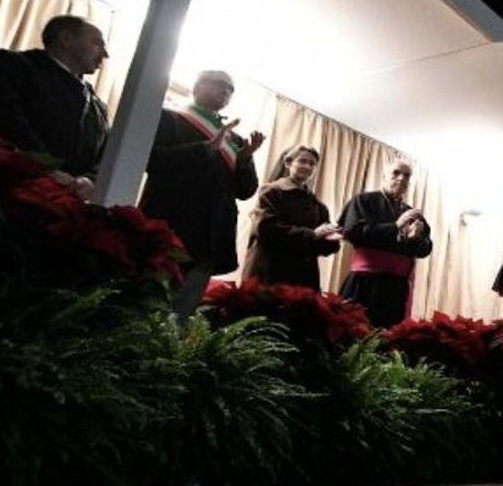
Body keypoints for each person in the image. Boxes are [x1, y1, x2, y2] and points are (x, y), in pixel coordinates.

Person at [139, 70, 264, 317]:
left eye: (230, 89)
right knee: (146, 305)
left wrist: (245, 160)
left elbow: (246, 191)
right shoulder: (170, 118)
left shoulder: (236, 139)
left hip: (210, 237)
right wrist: (205, 149)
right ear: (197, 87)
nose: (225, 91)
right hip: (169, 227)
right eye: (218, 85)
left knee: (182, 315)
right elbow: (152, 160)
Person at [0, 14, 110, 197]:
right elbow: (2, 118)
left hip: (57, 210)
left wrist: (90, 181)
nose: (105, 54)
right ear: (66, 39)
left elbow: (107, 157)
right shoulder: (9, 65)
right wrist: (45, 168)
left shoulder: (98, 108)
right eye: (97, 43)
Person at [336, 160, 433, 328]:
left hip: (396, 288)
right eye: (396, 173)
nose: (401, 178)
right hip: (364, 282)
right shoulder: (363, 200)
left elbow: (425, 249)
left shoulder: (412, 213)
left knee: (386, 336)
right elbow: (353, 232)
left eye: (407, 175)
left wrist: (415, 238)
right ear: (384, 175)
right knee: (352, 332)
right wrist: (395, 226)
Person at [240, 145, 341, 291]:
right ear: (288, 163)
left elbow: (322, 246)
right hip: (270, 274)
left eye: (312, 164)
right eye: (302, 161)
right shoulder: (271, 191)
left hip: (303, 279)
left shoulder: (318, 205)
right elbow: (264, 229)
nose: (307, 166)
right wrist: (313, 234)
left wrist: (333, 238)